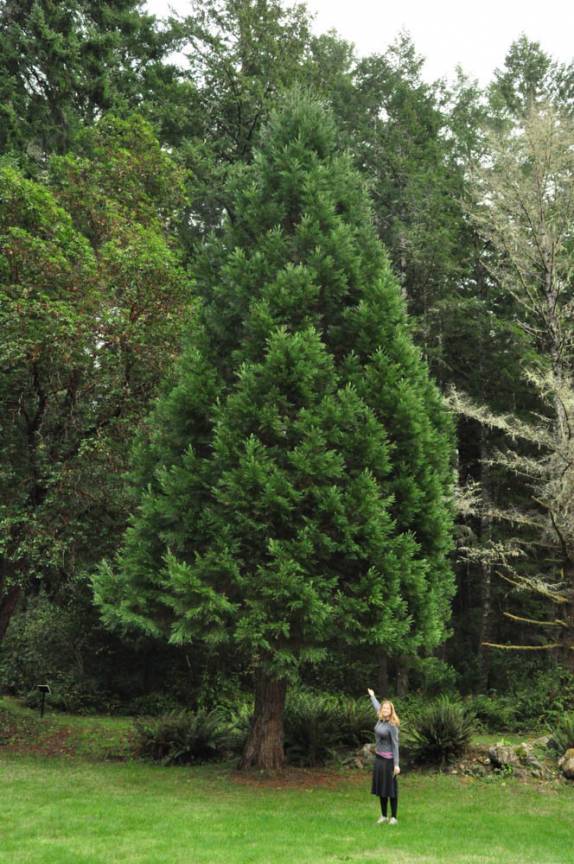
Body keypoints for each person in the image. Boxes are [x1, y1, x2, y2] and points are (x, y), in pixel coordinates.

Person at [367, 688, 400, 825]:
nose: (385, 710)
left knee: (391, 789)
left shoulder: (392, 725)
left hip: (389, 761)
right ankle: (383, 816)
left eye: (387, 708)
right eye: (383, 708)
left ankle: (393, 817)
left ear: (391, 711)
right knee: (381, 789)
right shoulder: (380, 719)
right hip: (379, 759)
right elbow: (377, 706)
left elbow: (395, 745)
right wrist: (373, 696)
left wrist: (396, 764)